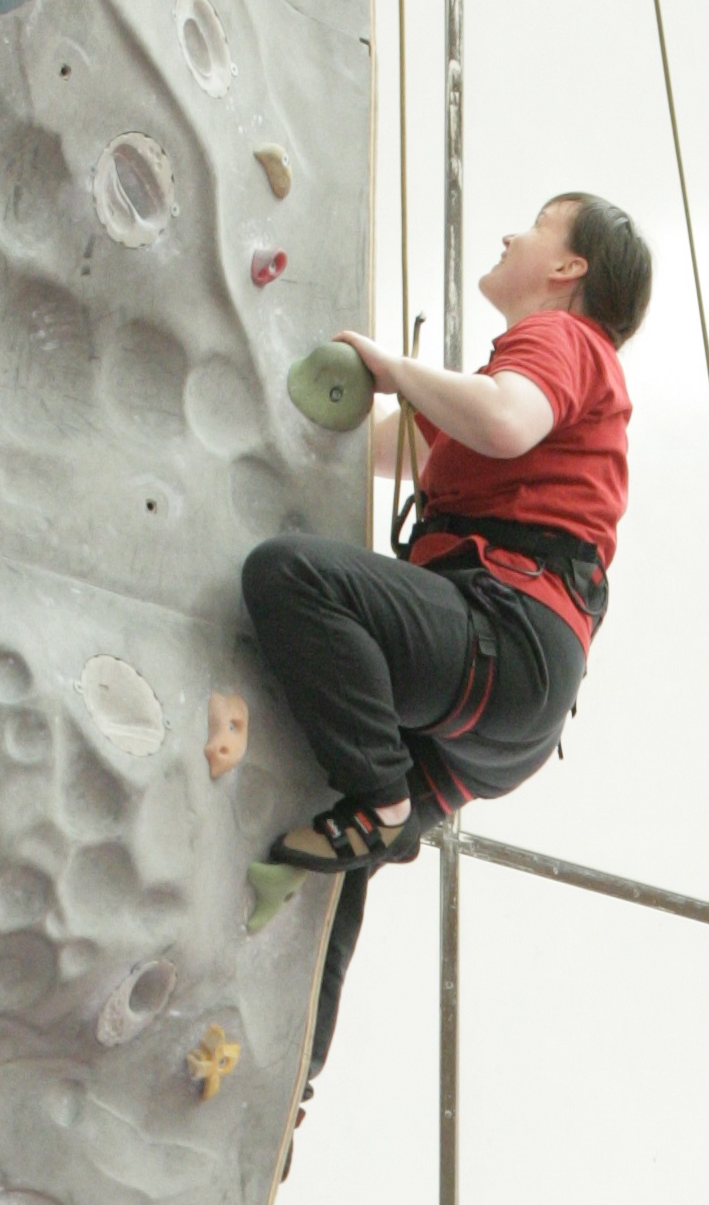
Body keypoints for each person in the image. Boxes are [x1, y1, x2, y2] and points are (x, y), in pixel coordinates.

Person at [236, 189, 653, 1105]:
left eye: (537, 225)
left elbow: (503, 420)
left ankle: (384, 799)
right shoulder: (521, 385)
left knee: (291, 576)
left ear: (568, 268)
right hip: (501, 710)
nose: (510, 233)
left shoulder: (563, 342)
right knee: (326, 850)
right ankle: (287, 1093)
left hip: (504, 635)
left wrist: (389, 365)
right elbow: (383, 447)